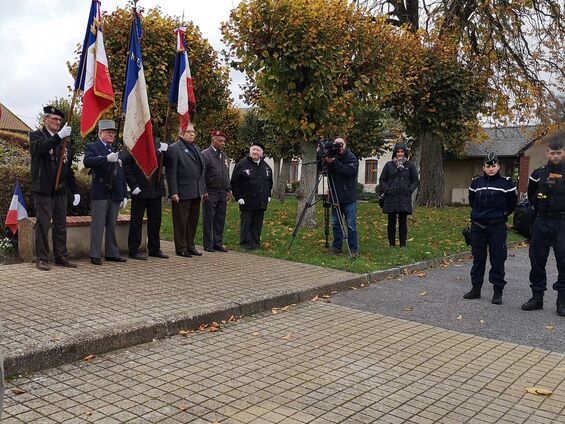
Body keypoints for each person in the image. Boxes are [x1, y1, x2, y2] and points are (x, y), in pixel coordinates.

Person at [29, 105, 80, 271]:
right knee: (43, 225)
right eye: (54, 119)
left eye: (59, 120)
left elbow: (68, 169)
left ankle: (61, 256)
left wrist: (76, 190)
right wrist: (58, 137)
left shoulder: (65, 142)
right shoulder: (37, 136)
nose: (58, 122)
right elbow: (41, 150)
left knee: (60, 225)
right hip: (43, 189)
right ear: (45, 120)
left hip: (61, 190)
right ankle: (42, 258)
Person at [463, 153, 517, 304]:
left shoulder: (506, 183)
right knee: (478, 259)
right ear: (483, 167)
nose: (491, 169)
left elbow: (512, 203)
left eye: (494, 166)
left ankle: (497, 291)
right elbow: (472, 201)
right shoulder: (476, 183)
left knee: (498, 260)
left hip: (497, 227)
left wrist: (501, 214)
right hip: (478, 227)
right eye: (488, 166)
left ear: (498, 166)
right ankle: (476, 288)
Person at [522, 135, 565, 316]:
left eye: (559, 153)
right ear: (547, 153)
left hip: (562, 222)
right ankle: (537, 297)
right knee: (537, 261)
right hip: (541, 221)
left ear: (564, 153)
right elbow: (531, 196)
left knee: (564, 263)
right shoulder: (538, 173)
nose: (555, 156)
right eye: (552, 153)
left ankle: (562, 301)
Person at [83, 119, 128, 265]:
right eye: (109, 132)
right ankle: (95, 254)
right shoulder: (93, 147)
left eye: (113, 133)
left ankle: (112, 252)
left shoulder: (115, 150)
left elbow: (120, 174)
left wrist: (124, 194)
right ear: (100, 133)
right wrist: (105, 159)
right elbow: (88, 161)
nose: (111, 135)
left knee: (112, 224)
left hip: (114, 193)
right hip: (101, 190)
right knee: (98, 224)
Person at [123, 139, 169, 260]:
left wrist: (165, 152)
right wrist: (133, 185)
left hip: (155, 188)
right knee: (136, 221)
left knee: (155, 221)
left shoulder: (158, 143)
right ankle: (133, 249)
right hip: (140, 188)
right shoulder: (134, 142)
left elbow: (166, 164)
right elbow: (126, 165)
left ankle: (154, 248)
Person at [165, 122, 205, 257]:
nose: (192, 134)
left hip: (195, 191)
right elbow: (171, 172)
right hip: (182, 191)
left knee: (192, 221)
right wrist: (173, 192)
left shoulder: (196, 149)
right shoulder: (174, 148)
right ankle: (181, 247)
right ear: (181, 133)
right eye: (189, 132)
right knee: (181, 221)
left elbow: (201, 171)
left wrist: (203, 189)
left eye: (193, 131)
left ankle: (190, 245)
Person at [319, 137, 359, 256]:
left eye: (341, 144)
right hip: (335, 196)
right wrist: (325, 157)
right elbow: (323, 169)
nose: (339, 147)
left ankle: (353, 248)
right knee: (336, 223)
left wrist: (334, 162)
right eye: (336, 144)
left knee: (351, 224)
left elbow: (348, 171)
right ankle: (337, 247)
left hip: (348, 197)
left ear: (345, 145)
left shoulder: (350, 157)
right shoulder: (332, 155)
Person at [230, 143, 273, 250]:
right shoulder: (242, 164)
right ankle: (245, 243)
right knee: (246, 223)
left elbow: (269, 182)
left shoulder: (266, 167)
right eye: (253, 150)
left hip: (261, 201)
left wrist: (268, 195)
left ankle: (255, 243)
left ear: (262, 153)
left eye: (258, 150)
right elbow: (235, 182)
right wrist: (238, 197)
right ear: (250, 152)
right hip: (246, 200)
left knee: (257, 223)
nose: (255, 152)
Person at [379, 143, 419, 248]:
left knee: (403, 221)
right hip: (391, 196)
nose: (400, 154)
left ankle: (403, 245)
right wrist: (387, 189)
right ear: (395, 153)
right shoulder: (389, 165)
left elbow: (415, 180)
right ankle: (391, 244)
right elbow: (382, 180)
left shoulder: (410, 165)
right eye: (398, 152)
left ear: (405, 153)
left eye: (402, 152)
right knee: (391, 221)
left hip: (404, 197)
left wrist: (409, 190)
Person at [201, 130, 231, 252]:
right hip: (211, 191)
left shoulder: (224, 156)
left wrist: (228, 189)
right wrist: (204, 191)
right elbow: (202, 174)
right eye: (220, 141)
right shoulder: (205, 155)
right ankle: (208, 244)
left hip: (222, 192)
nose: (223, 143)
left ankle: (217, 243)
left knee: (220, 218)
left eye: (224, 141)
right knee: (209, 218)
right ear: (213, 141)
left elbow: (226, 174)